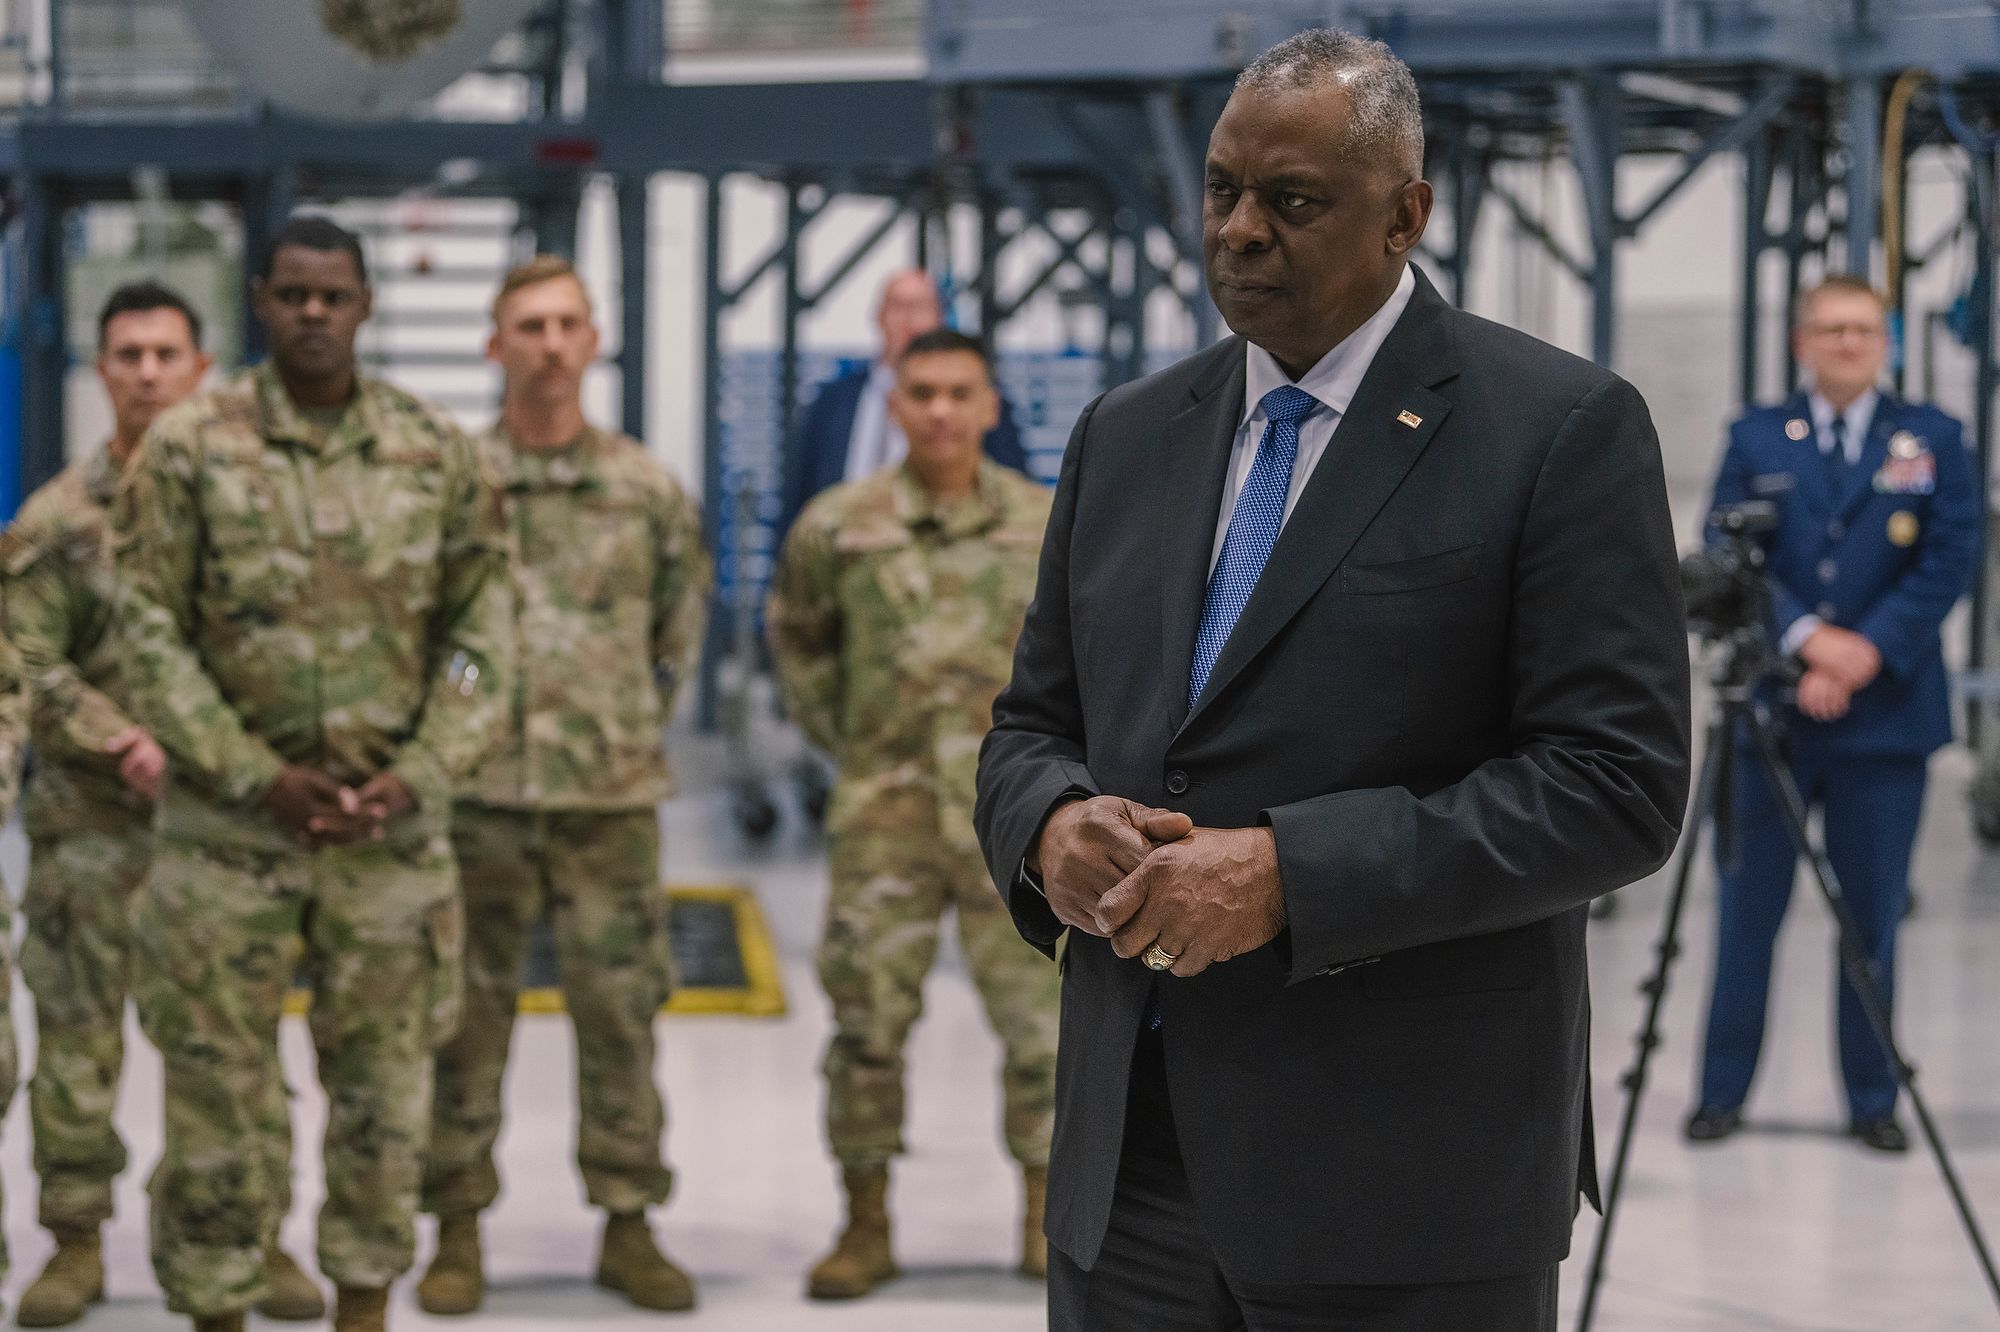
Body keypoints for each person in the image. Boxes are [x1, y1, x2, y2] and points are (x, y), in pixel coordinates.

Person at [974, 30, 1692, 1331]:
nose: (1239, 231)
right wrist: (1047, 826)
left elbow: (1613, 789)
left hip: (1403, 1178)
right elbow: (1031, 723)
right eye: (1220, 190)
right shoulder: (1126, 436)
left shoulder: (1555, 431)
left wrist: (1289, 876)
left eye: (1292, 201)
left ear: (1405, 216)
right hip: (1129, 1171)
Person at [113, 215, 513, 1332]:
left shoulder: (433, 452)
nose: (313, 314)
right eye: (292, 295)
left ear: (365, 305)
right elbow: (146, 630)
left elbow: (481, 637)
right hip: (227, 840)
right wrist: (251, 772)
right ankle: (217, 1308)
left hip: (387, 841)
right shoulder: (190, 449)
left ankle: (364, 1306)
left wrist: (425, 765)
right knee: (216, 1101)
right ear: (261, 302)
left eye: (333, 296)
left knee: (385, 1100)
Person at [1, 282, 323, 1329]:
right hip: (94, 828)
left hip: (224, 828)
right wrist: (122, 741)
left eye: (165, 354)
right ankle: (76, 1239)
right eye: (128, 354)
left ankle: (254, 1233)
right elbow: (28, 661)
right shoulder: (58, 520)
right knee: (77, 1042)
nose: (146, 372)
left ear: (201, 369)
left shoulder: (253, 507)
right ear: (101, 370)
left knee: (236, 1045)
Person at [415, 256, 710, 1316]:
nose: (548, 344)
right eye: (528, 326)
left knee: (620, 1013)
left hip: (606, 802)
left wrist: (618, 725)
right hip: (478, 801)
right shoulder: (451, 485)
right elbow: (417, 628)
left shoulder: (644, 489)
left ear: (592, 342)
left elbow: (676, 632)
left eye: (566, 325)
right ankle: (455, 1228)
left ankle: (627, 1223)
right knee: (462, 1017)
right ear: (494, 345)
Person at [767, 328, 1060, 1300]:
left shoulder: (1045, 525)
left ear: (989, 407)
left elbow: (1087, 658)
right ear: (893, 405)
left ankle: (1044, 1214)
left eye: (959, 393)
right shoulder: (839, 527)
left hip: (1016, 826)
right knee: (865, 1025)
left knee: (1043, 1027)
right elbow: (799, 645)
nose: (940, 410)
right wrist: (856, 744)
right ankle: (865, 1223)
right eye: (921, 392)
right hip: (882, 820)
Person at [1685, 277, 1978, 1153]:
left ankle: (1872, 1100)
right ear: (1802, 342)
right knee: (1746, 915)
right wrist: (1809, 642)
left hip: (1885, 722)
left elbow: (1950, 557)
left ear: (1886, 343)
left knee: (1872, 921)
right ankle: (1721, 1093)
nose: (1849, 343)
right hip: (1772, 715)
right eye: (1832, 329)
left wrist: (1865, 652)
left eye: (1864, 330)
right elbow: (1727, 551)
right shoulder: (1756, 435)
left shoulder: (1934, 438)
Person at [775, 269, 1028, 543]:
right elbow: (798, 495)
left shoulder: (975, 396)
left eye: (920, 307)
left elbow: (1014, 485)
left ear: (939, 317)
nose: (908, 319)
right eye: (897, 306)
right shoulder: (832, 401)